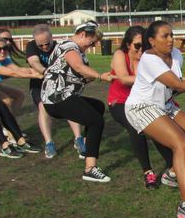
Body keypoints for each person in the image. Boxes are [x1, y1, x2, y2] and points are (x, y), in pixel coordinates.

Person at [125, 21, 185, 218]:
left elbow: (177, 87)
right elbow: (176, 83)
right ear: (152, 41)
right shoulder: (149, 59)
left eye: (172, 35)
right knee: (180, 142)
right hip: (141, 108)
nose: (171, 39)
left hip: (165, 104)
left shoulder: (176, 55)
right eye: (165, 36)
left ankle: (172, 173)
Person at [41, 21, 114, 182]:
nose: (92, 45)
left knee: (97, 107)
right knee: (96, 121)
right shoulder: (69, 47)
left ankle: (86, 150)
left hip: (63, 97)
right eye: (92, 41)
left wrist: (108, 75)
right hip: (57, 99)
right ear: (82, 34)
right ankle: (90, 168)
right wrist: (100, 76)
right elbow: (78, 67)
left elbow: (83, 75)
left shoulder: (78, 50)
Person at [107, 26, 174, 189]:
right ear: (128, 44)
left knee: (158, 124)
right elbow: (123, 79)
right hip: (120, 101)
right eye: (137, 45)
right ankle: (148, 172)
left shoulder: (149, 56)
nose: (140, 49)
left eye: (143, 45)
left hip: (146, 101)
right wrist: (153, 77)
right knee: (136, 126)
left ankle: (173, 167)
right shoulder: (119, 54)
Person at [26, 24, 85, 159]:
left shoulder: (59, 47)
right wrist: (45, 71)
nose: (45, 47)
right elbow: (34, 62)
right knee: (43, 106)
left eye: (47, 44)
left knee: (70, 104)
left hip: (59, 83)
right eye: (41, 45)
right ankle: (49, 143)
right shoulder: (31, 46)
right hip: (39, 84)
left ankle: (78, 138)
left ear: (52, 38)